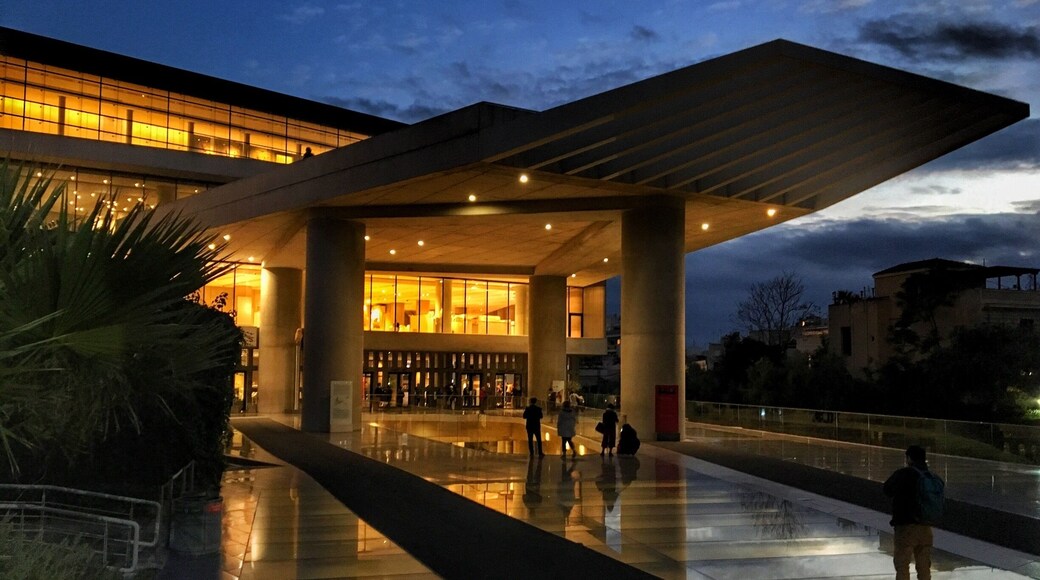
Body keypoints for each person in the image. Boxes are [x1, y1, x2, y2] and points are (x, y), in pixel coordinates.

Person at [883, 445, 944, 580]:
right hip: (926, 526)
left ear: (909, 458)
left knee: (902, 565)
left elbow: (887, 489)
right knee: (924, 567)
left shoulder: (904, 474)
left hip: (906, 527)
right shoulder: (932, 477)